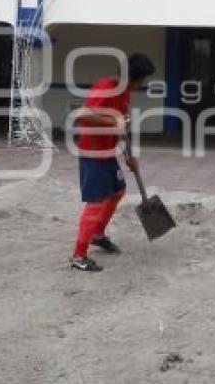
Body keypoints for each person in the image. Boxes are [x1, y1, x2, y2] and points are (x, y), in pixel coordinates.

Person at [69, 52, 156, 272]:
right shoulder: (106, 86)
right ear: (133, 77)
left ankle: (97, 234)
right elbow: (81, 115)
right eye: (142, 80)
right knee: (97, 202)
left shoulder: (124, 93)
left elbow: (121, 126)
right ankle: (78, 256)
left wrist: (129, 156)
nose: (142, 84)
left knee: (117, 191)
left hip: (107, 151)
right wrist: (111, 121)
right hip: (93, 152)